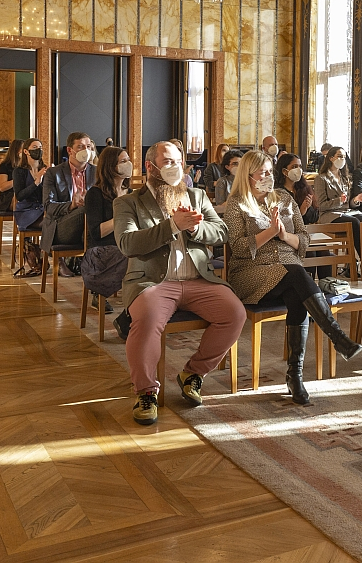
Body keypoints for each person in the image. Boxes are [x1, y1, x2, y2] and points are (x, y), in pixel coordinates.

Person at [114, 141, 246, 422]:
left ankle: (193, 373)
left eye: (178, 161)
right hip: (154, 283)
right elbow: (127, 243)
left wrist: (196, 228)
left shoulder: (197, 195)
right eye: (168, 162)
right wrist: (173, 226)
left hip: (198, 279)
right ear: (150, 167)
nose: (176, 167)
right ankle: (146, 392)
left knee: (234, 313)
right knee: (147, 318)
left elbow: (221, 231)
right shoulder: (128, 202)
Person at [222, 151, 362, 405]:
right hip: (251, 273)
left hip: (289, 272)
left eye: (270, 171)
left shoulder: (285, 198)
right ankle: (336, 338)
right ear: (248, 175)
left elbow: (304, 239)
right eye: (262, 173)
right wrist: (269, 232)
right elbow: (238, 248)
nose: (268, 176)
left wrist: (284, 236)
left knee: (296, 290)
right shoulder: (237, 204)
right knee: (297, 274)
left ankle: (295, 375)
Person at [81, 146, 133, 314]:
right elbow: (97, 233)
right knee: (131, 257)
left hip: (126, 243)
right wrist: (120, 217)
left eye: (128, 160)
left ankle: (142, 303)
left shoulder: (130, 193)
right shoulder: (95, 194)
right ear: (111, 166)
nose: (128, 164)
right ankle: (103, 294)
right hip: (102, 248)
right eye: (123, 161)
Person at [41, 132, 96, 259]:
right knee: (85, 211)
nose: (86, 150)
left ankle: (85, 262)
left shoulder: (97, 172)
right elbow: (48, 206)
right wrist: (72, 205)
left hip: (88, 225)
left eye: (88, 147)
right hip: (60, 225)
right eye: (80, 147)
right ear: (70, 150)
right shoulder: (53, 173)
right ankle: (89, 262)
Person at [314, 145, 362, 239]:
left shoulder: (345, 178)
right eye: (339, 156)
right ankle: (360, 249)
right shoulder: (321, 178)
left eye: (344, 157)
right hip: (330, 214)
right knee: (355, 222)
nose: (342, 159)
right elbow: (321, 206)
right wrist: (339, 201)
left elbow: (348, 203)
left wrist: (356, 199)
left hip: (346, 212)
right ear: (331, 158)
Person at [12, 137, 47, 233]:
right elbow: (20, 196)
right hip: (27, 211)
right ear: (26, 151)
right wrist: (36, 182)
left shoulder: (45, 170)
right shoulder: (19, 171)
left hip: (43, 209)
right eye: (35, 147)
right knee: (50, 224)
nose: (38, 150)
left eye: (40, 148)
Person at [275, 152, 316, 224]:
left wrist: (308, 208)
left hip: (307, 228)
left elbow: (315, 217)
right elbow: (281, 220)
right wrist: (300, 213)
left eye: (300, 166)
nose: (298, 170)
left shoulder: (303, 188)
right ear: (284, 171)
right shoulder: (278, 192)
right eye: (294, 167)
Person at [0, 139, 24, 214]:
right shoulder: (5, 165)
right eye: (22, 149)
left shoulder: (26, 166)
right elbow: (2, 187)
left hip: (22, 194)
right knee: (19, 198)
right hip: (7, 198)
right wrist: (17, 180)